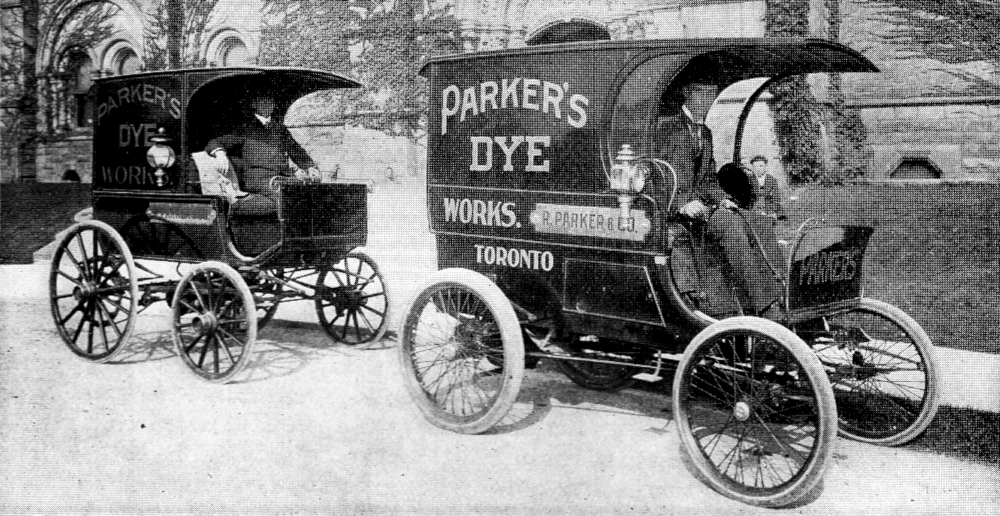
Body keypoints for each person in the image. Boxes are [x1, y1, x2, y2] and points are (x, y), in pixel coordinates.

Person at [206, 95, 321, 215]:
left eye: (271, 101)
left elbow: (297, 151)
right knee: (288, 199)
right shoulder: (245, 128)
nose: (268, 104)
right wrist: (219, 153)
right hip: (258, 180)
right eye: (264, 101)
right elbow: (216, 142)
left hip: (282, 177)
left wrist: (310, 167)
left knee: (311, 194)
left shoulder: (280, 129)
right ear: (254, 105)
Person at [705, 163, 785, 317]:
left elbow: (708, 182)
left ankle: (781, 290)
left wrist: (722, 199)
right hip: (693, 208)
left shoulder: (705, 141)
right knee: (729, 221)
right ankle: (763, 304)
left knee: (759, 221)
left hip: (714, 201)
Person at [650, 85, 723, 217]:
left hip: (697, 207)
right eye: (700, 91)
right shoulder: (666, 126)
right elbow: (655, 174)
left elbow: (708, 179)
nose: (706, 99)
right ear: (686, 92)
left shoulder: (706, 133)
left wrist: (723, 199)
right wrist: (680, 206)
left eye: (712, 93)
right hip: (668, 212)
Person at [748, 155, 786, 221]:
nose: (758, 169)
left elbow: (776, 198)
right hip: (754, 208)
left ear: (766, 167)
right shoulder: (749, 180)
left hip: (769, 207)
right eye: (755, 166)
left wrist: (770, 211)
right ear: (752, 168)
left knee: (770, 220)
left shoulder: (772, 180)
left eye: (761, 166)